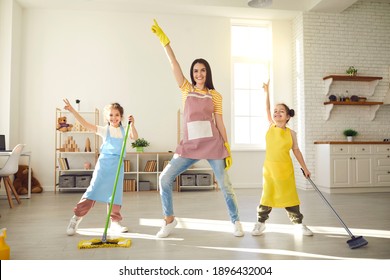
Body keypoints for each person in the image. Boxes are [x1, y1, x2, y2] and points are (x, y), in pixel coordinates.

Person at [151, 19, 244, 238]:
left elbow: (219, 122)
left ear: (207, 73)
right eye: (195, 71)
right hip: (189, 146)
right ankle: (169, 220)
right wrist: (166, 44)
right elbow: (174, 64)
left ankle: (236, 221)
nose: (199, 74)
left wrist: (227, 146)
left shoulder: (216, 95)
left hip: (213, 145)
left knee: (225, 186)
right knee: (164, 179)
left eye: (202, 71)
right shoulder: (186, 89)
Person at [64, 99, 138, 236]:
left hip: (118, 166)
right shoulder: (105, 130)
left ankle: (115, 223)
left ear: (121, 117)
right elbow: (85, 124)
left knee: (115, 194)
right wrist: (73, 111)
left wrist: (132, 124)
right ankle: (76, 218)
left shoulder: (125, 130)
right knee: (93, 191)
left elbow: (135, 137)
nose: (114, 118)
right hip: (104, 165)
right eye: (110, 115)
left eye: (116, 115)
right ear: (106, 117)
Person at [252, 80, 313, 236]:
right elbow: (266, 107)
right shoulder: (271, 126)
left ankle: (298, 224)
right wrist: (267, 91)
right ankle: (260, 222)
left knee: (290, 197)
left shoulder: (291, 133)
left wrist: (305, 168)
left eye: (281, 111)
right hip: (270, 170)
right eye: (275, 111)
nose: (277, 113)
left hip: (286, 170)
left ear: (287, 117)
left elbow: (297, 151)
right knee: (267, 196)